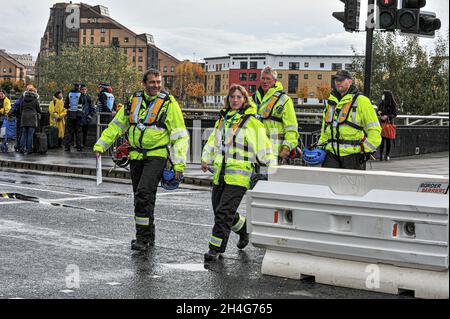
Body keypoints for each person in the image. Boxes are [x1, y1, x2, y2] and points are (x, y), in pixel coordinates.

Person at [94, 69, 189, 251]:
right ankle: (148, 234)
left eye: (159, 82)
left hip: (156, 155)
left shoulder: (169, 104)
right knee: (140, 197)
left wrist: (179, 164)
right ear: (144, 83)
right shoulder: (133, 100)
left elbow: (179, 135)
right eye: (152, 82)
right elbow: (117, 125)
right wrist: (101, 145)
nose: (156, 86)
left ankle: (143, 239)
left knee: (144, 194)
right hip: (136, 155)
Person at [201, 84, 276, 262]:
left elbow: (264, 147)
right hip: (221, 172)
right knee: (221, 211)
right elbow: (213, 141)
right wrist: (206, 158)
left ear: (244, 100)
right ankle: (243, 230)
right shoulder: (223, 119)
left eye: (238, 97)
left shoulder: (251, 122)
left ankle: (215, 250)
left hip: (239, 175)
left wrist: (274, 169)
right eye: (232, 97)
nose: (235, 100)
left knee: (223, 213)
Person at [317, 70, 381, 170]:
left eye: (341, 80)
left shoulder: (361, 101)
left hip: (353, 156)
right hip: (331, 155)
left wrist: (366, 150)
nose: (338, 82)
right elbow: (325, 129)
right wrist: (320, 147)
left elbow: (374, 129)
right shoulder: (331, 102)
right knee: (328, 184)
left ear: (350, 82)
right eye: (336, 80)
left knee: (351, 186)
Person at [252, 66, 299, 163]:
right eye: (263, 78)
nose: (265, 81)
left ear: (274, 81)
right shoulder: (253, 99)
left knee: (271, 177)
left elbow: (291, 127)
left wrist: (286, 147)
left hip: (275, 150)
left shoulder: (284, 100)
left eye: (268, 79)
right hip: (255, 149)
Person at [18, 86, 41, 154]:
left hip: (24, 118)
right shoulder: (35, 100)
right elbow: (39, 110)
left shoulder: (23, 99)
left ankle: (21, 149)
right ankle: (29, 149)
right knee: (30, 135)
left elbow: (20, 109)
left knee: (24, 134)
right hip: (32, 118)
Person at [377, 90, 398, 161]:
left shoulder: (393, 104)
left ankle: (387, 155)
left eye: (384, 95)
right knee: (381, 140)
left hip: (389, 124)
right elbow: (378, 111)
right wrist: (380, 114)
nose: (382, 96)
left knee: (388, 140)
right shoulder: (382, 104)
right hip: (382, 124)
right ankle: (381, 155)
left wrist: (388, 116)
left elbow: (394, 114)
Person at [64, 83, 84, 152]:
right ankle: (79, 147)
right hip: (78, 114)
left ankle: (67, 147)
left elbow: (65, 105)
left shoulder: (69, 94)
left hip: (70, 114)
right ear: (79, 88)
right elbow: (84, 102)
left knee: (69, 132)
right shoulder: (80, 94)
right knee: (79, 131)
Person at [78, 84, 95, 149]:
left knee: (85, 132)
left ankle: (83, 144)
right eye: (82, 89)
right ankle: (79, 144)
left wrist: (90, 116)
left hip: (86, 117)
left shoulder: (89, 97)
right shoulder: (78, 97)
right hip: (79, 117)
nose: (84, 91)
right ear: (80, 90)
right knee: (78, 132)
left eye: (85, 89)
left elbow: (92, 108)